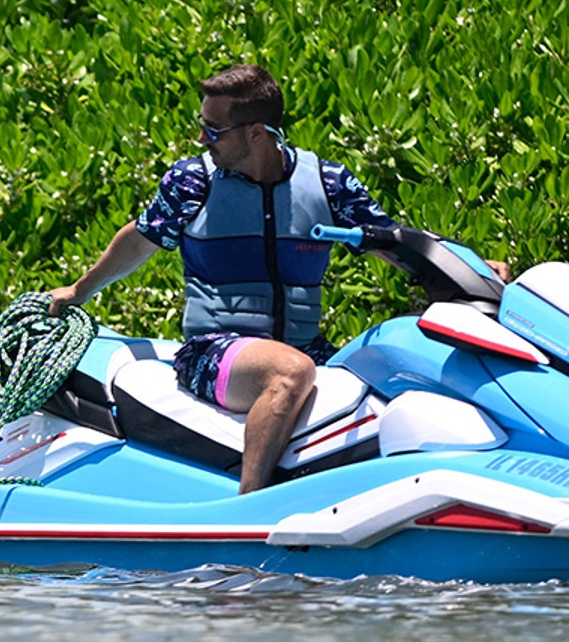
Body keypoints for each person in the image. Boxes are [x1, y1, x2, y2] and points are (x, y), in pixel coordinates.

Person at [48, 65, 444, 495]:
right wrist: (78, 291)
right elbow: (140, 241)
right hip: (214, 351)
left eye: (214, 130)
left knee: (397, 365)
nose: (203, 139)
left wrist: (467, 268)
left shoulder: (329, 183)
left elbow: (393, 242)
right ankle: (249, 504)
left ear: (256, 133)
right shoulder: (193, 180)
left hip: (308, 346)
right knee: (288, 373)